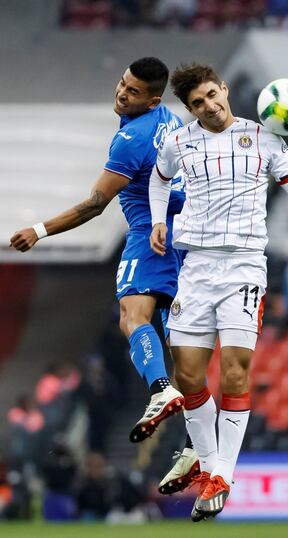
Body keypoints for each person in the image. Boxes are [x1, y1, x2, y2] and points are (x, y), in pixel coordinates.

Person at [149, 63, 288, 521]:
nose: (209, 106)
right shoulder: (178, 141)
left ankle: (221, 474)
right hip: (195, 266)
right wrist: (160, 219)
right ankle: (205, 458)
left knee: (235, 372)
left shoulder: (264, 138)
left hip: (243, 267)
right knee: (188, 377)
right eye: (197, 103)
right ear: (190, 108)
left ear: (224, 89)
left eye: (212, 95)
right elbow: (158, 180)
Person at [10, 57, 185, 443]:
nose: (122, 93)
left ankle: (160, 388)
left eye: (133, 92)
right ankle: (196, 433)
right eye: (122, 84)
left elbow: (95, 204)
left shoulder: (131, 139)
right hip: (186, 232)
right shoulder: (171, 120)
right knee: (179, 332)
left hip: (151, 232)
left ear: (153, 100)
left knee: (132, 315)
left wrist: (39, 230)